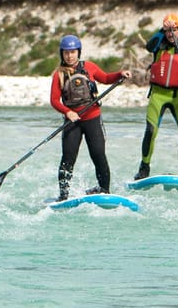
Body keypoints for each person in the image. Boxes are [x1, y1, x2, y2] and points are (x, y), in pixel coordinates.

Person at [49, 35, 131, 199]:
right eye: (66, 53)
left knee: (98, 154)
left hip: (93, 119)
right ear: (62, 54)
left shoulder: (89, 67)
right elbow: (54, 100)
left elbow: (106, 78)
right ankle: (63, 196)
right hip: (73, 122)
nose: (69, 56)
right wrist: (67, 112)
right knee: (68, 159)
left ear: (78, 52)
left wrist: (120, 74)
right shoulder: (58, 75)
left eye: (72, 52)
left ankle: (104, 190)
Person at [133, 13, 178, 181]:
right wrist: (161, 29)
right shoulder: (159, 45)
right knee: (150, 131)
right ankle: (144, 168)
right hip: (158, 94)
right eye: (169, 31)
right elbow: (149, 46)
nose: (172, 34)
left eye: (175, 30)